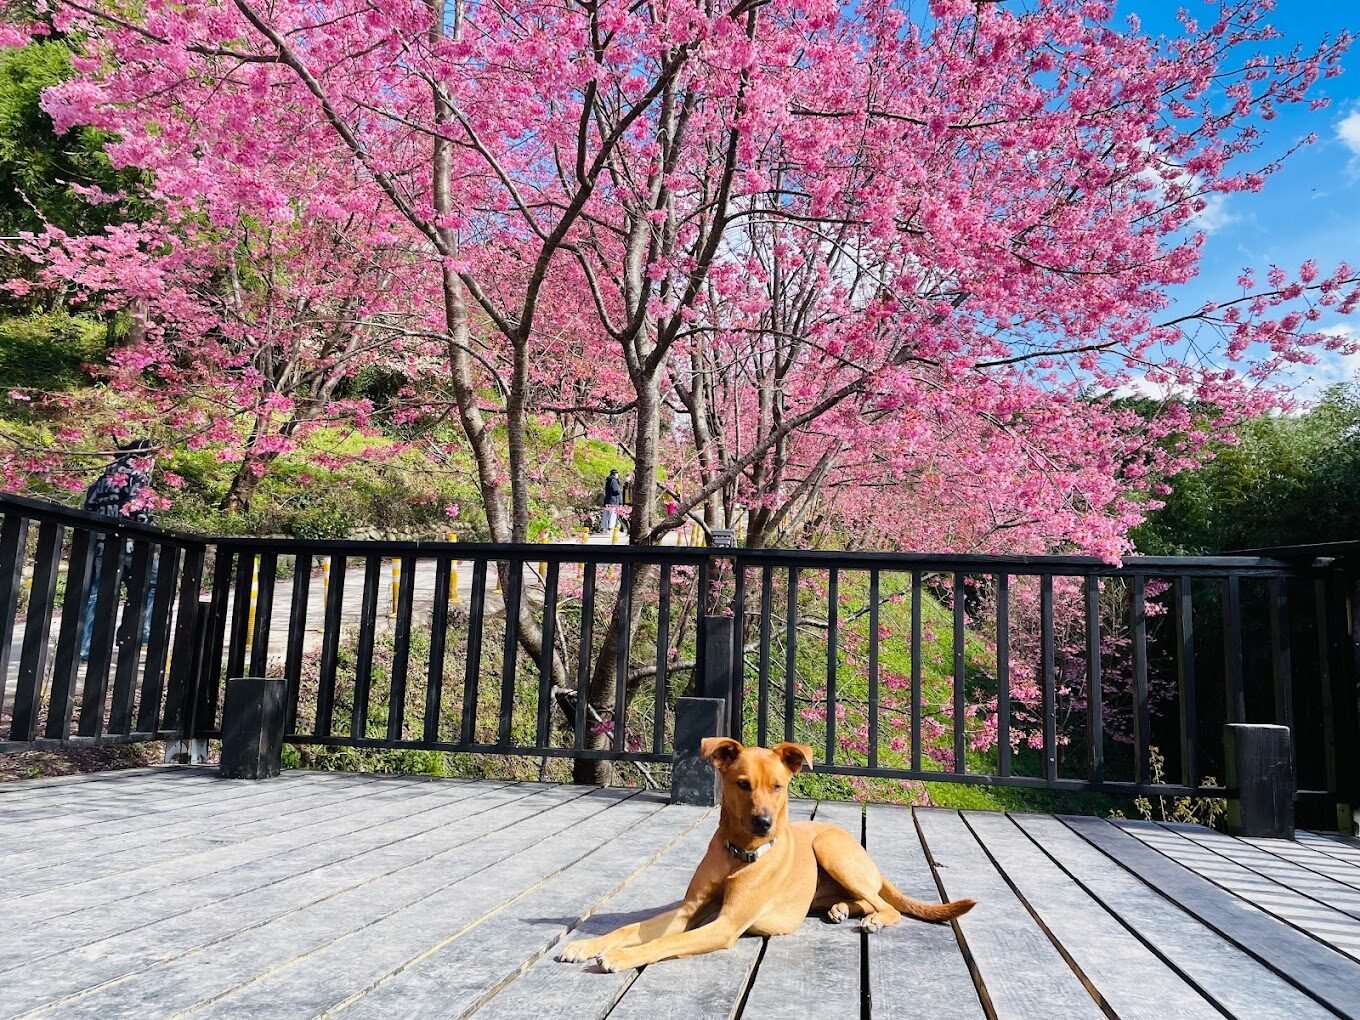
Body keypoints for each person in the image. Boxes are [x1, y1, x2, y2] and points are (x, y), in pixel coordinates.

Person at [80, 439, 159, 661]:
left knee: (97, 593)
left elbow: (89, 508)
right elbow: (138, 511)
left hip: (103, 544)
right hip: (132, 544)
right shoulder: (138, 476)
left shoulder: (103, 478)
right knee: (153, 584)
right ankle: (137, 633)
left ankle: (85, 647)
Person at [601, 468, 624, 533]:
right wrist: (620, 490)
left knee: (606, 515)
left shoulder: (608, 480)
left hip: (607, 500)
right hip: (613, 501)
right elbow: (616, 490)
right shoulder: (614, 480)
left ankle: (604, 528)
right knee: (612, 515)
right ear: (615, 474)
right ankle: (611, 528)